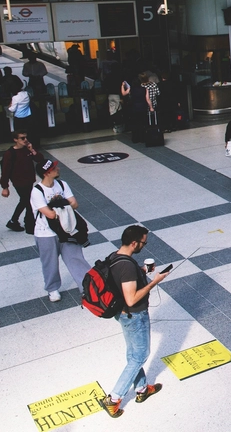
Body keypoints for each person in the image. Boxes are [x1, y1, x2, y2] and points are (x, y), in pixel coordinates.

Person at [98, 225, 170, 419]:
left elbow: (122, 279)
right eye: (143, 243)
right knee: (140, 356)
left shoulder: (115, 256)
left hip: (121, 313)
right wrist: (155, 281)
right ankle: (114, 399)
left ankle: (142, 389)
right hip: (135, 315)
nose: (144, 246)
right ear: (134, 243)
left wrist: (143, 270)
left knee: (133, 354)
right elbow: (131, 299)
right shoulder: (127, 266)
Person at [30, 159, 91, 302]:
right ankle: (52, 289)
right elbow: (50, 214)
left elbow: (75, 204)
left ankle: (86, 286)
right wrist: (63, 205)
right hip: (46, 233)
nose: (58, 169)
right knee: (50, 262)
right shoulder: (37, 191)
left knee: (76, 258)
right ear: (46, 173)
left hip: (67, 230)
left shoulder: (62, 184)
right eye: (53, 168)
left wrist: (56, 206)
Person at [1, 130, 45, 232]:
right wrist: (5, 187)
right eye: (22, 138)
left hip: (29, 180)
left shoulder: (27, 149)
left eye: (26, 137)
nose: (25, 140)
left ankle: (13, 221)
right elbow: (5, 171)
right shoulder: (10, 153)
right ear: (15, 139)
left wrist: (32, 150)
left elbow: (39, 159)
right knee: (28, 202)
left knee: (24, 201)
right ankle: (29, 225)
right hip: (19, 182)